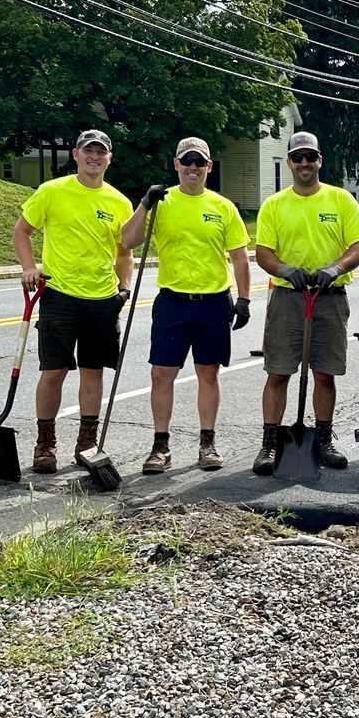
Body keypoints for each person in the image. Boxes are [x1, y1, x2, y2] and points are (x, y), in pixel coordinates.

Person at [119, 136, 251, 474]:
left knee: (208, 373)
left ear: (209, 166)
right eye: (186, 162)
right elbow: (128, 240)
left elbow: (240, 258)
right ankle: (160, 446)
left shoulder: (223, 207)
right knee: (162, 374)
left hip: (213, 303)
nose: (193, 168)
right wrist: (145, 204)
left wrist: (244, 299)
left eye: (199, 162)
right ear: (176, 165)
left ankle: (207, 443)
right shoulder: (162, 203)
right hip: (173, 302)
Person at [12, 128, 134, 474]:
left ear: (109, 158)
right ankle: (45, 444)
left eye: (101, 152)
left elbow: (124, 252)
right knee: (54, 371)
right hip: (60, 295)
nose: (94, 157)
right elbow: (22, 231)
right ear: (76, 155)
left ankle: (87, 444)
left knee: (93, 373)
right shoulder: (51, 192)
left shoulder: (118, 202)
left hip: (102, 299)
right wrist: (29, 266)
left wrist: (123, 288)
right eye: (88, 151)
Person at [251, 130, 359, 474]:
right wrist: (286, 270)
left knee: (325, 373)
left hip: (329, 299)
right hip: (288, 299)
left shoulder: (341, 200)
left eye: (310, 157)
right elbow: (263, 254)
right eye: (297, 157)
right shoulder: (275, 204)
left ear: (320, 160)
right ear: (289, 162)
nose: (304, 163)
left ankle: (323, 439)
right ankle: (270, 444)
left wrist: (336, 268)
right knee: (278, 372)